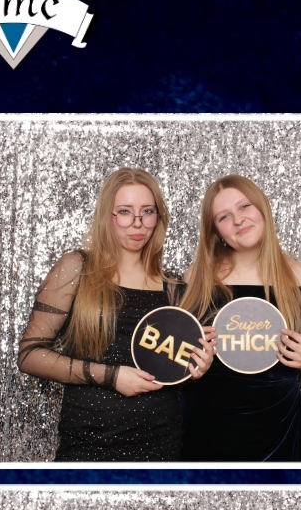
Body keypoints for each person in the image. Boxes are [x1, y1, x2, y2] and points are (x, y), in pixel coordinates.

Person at [18, 167, 214, 462]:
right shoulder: (77, 268)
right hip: (88, 444)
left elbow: (172, 373)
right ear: (107, 216)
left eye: (147, 211)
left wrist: (196, 368)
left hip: (160, 444)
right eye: (124, 211)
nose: (137, 223)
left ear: (158, 217)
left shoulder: (174, 289)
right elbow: (29, 356)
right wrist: (111, 376)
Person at [180, 173, 301, 463]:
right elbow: (178, 360)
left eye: (244, 206)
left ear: (262, 208)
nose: (238, 220)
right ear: (216, 231)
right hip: (205, 431)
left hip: (278, 433)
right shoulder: (197, 279)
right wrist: (191, 363)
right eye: (224, 216)